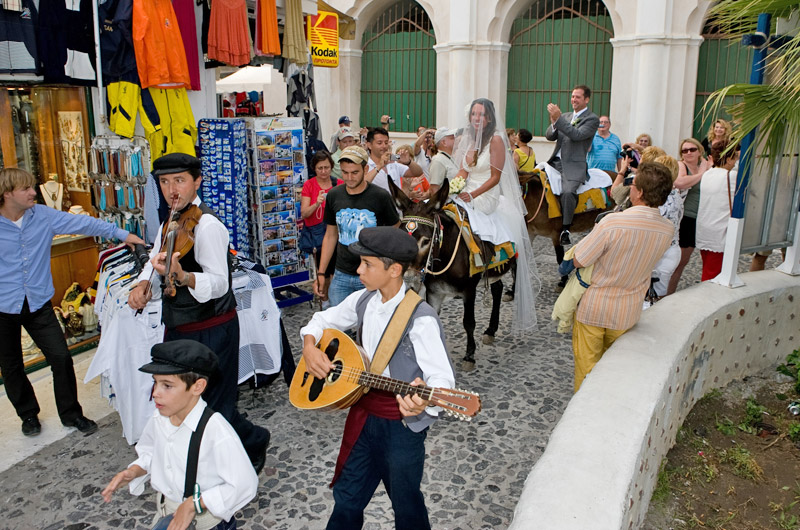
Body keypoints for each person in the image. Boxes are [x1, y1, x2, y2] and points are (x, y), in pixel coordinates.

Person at [300, 226, 455, 530]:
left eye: (367, 264)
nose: (358, 270)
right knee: (347, 496)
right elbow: (321, 319)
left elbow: (443, 380)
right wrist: (309, 346)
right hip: (363, 415)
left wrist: (423, 399)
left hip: (401, 425)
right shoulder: (363, 300)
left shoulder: (420, 318)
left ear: (394, 269)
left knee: (406, 502)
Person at [128, 153, 271, 473]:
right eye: (164, 182)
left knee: (214, 406)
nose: (171, 189)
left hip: (212, 328)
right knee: (189, 404)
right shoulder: (171, 219)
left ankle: (233, 464)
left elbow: (220, 284)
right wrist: (141, 286)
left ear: (197, 181)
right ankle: (246, 442)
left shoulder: (208, 225)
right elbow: (155, 258)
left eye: (179, 180)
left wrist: (184, 277)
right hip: (179, 327)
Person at [0, 167, 145, 436]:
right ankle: (28, 415)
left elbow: (85, 224)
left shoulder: (42, 216)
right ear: (8, 194)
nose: (34, 192)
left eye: (34, 187)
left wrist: (122, 234)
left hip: (38, 303)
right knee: (11, 366)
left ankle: (71, 414)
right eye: (26, 189)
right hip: (3, 307)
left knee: (61, 357)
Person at [101, 340, 258, 530]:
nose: (156, 393)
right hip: (167, 514)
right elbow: (152, 452)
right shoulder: (159, 418)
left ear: (198, 387)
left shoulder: (215, 431)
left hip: (207, 524)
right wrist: (134, 470)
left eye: (167, 386)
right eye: (155, 383)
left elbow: (244, 483)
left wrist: (195, 504)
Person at [570, 162, 674, 391]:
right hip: (628, 310)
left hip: (594, 307)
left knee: (587, 371)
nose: (630, 187)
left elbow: (580, 260)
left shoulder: (612, 222)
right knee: (614, 371)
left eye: (633, 184)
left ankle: (585, 414)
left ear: (640, 192)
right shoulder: (667, 228)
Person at [452, 97, 538, 331]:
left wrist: (472, 194)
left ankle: (483, 259)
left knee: (471, 213)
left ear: (489, 117)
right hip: (468, 187)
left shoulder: (497, 140)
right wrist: (455, 186)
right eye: (474, 114)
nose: (477, 118)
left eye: (481, 115)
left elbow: (495, 177)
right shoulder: (468, 139)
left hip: (486, 192)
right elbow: (463, 169)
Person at [314, 146, 401, 306]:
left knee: (370, 325)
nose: (349, 177)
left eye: (355, 172)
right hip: (341, 273)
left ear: (365, 169)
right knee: (337, 326)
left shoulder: (380, 196)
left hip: (372, 272)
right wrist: (321, 272)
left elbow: (395, 229)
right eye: (345, 172)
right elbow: (331, 235)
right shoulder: (334, 195)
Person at [545, 85, 600, 245]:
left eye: (578, 97)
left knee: (568, 192)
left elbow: (576, 135)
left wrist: (559, 119)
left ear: (586, 99)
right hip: (554, 162)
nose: (573, 99)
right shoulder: (566, 116)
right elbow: (549, 136)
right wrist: (555, 122)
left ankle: (565, 229)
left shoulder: (592, 119)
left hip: (573, 166)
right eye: (572, 96)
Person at [666, 138, 711, 295]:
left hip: (701, 217)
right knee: (676, 262)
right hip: (685, 218)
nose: (689, 153)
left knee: (684, 262)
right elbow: (681, 182)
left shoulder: (705, 165)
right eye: (685, 150)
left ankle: (668, 294)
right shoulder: (682, 165)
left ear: (700, 151)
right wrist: (703, 173)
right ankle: (664, 295)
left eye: (692, 149)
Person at [696, 140, 739, 281]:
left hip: (705, 230)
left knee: (708, 270)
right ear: (728, 159)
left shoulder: (708, 174)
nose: (736, 162)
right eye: (735, 158)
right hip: (720, 232)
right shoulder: (731, 176)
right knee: (713, 275)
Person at [300, 151, 340, 302]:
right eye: (320, 168)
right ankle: (326, 302)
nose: (324, 172)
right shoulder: (309, 185)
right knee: (323, 271)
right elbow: (304, 213)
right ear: (314, 169)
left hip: (336, 233)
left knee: (336, 272)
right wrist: (317, 203)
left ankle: (335, 302)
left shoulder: (338, 184)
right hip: (318, 235)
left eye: (327, 168)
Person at [364, 126, 424, 197]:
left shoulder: (393, 163)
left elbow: (418, 172)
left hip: (395, 207)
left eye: (386, 143)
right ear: (369, 145)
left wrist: (408, 162)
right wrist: (379, 166)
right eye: (379, 143)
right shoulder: (364, 164)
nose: (384, 146)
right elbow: (362, 185)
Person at [427, 127, 458, 196]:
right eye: (452, 138)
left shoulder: (449, 158)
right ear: (444, 143)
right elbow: (434, 189)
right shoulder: (438, 160)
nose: (456, 140)